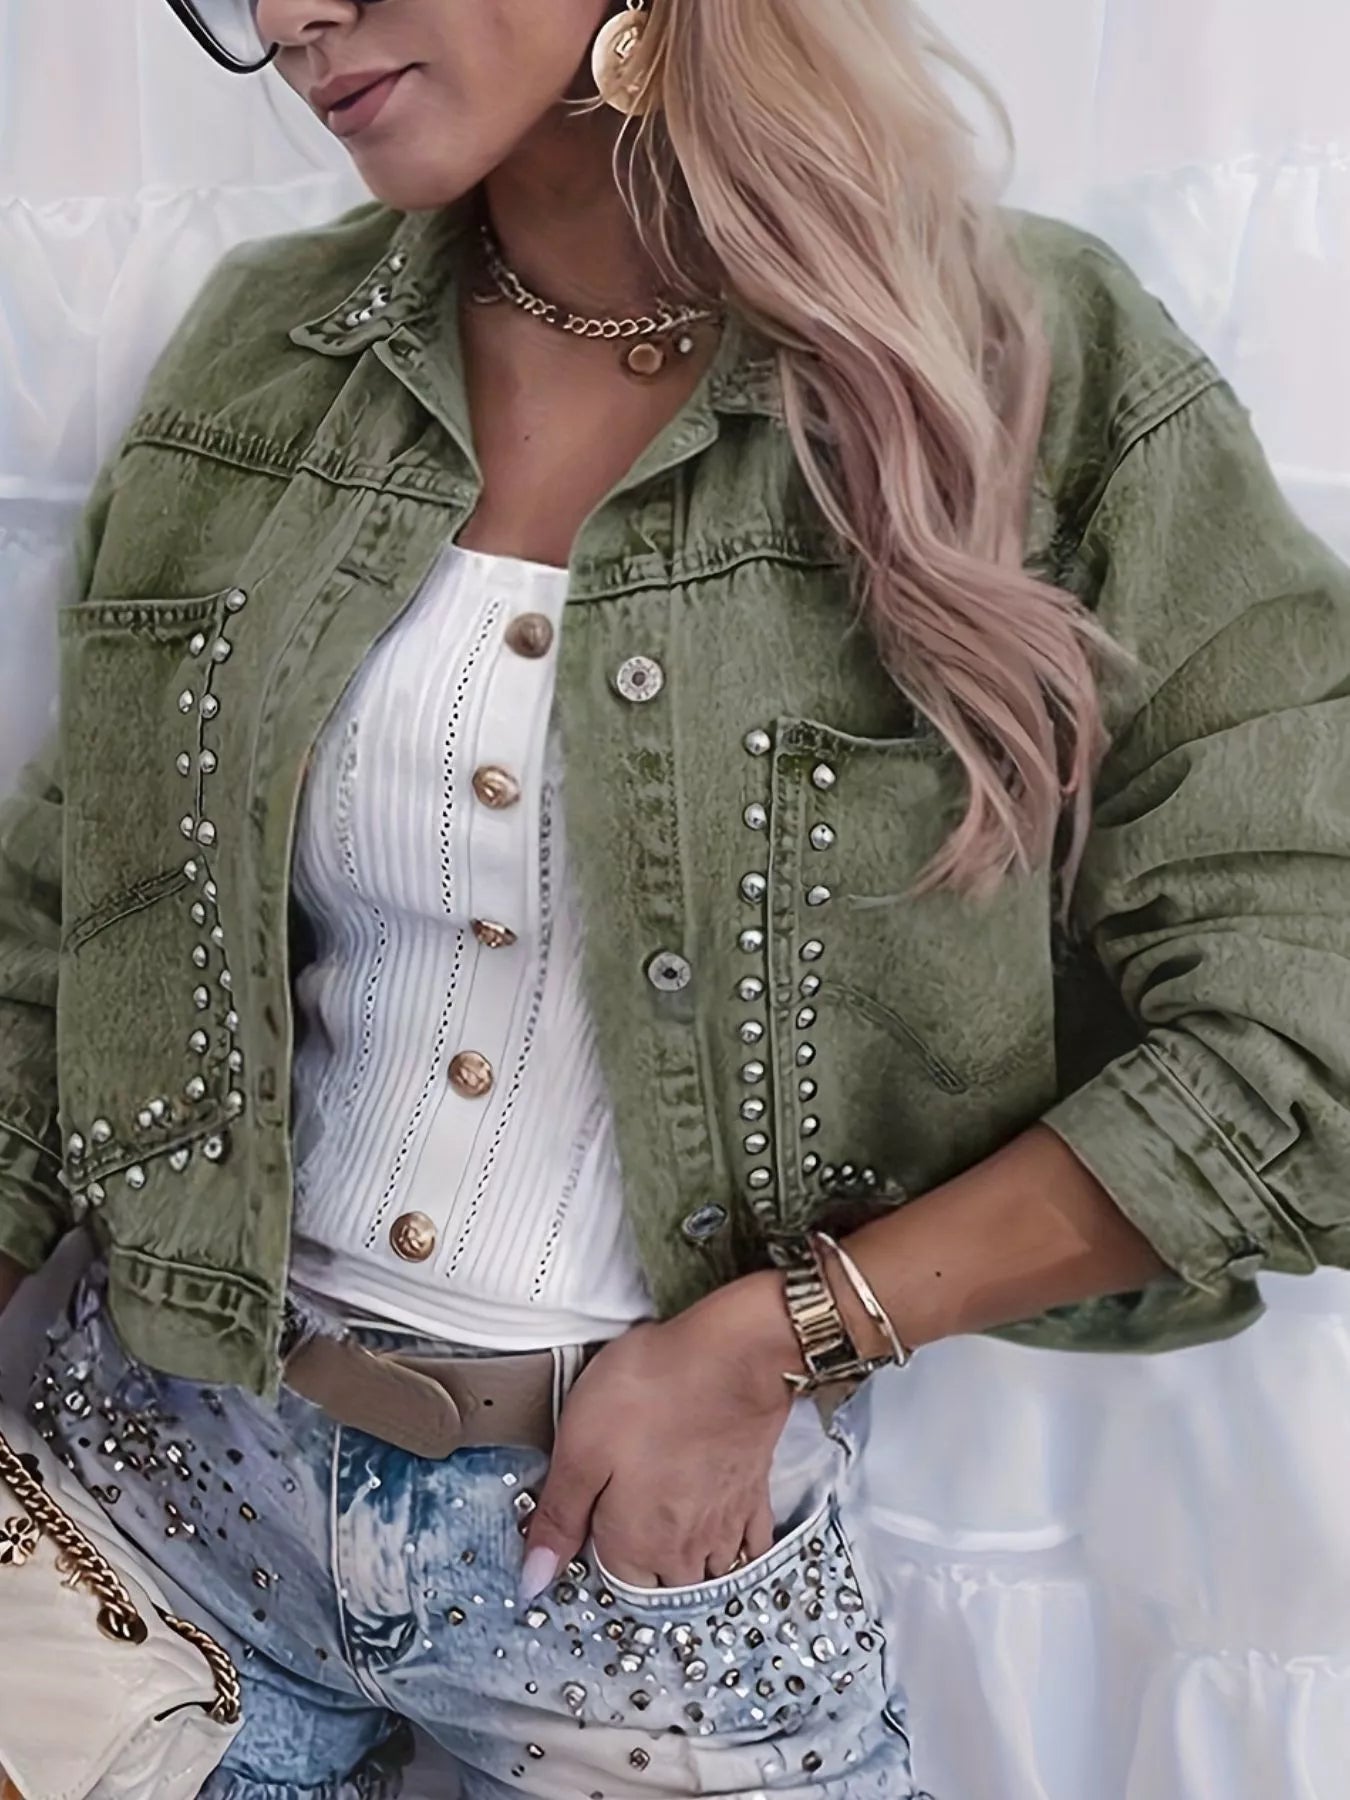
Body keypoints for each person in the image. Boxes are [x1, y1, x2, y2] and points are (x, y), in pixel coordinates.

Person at [2, 0, 1349, 1793]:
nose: (290, 17)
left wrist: (781, 1340)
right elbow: (59, 938)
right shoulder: (269, 353)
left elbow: (1307, 1018)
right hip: (149, 1503)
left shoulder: (1027, 360)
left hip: (645, 1586)